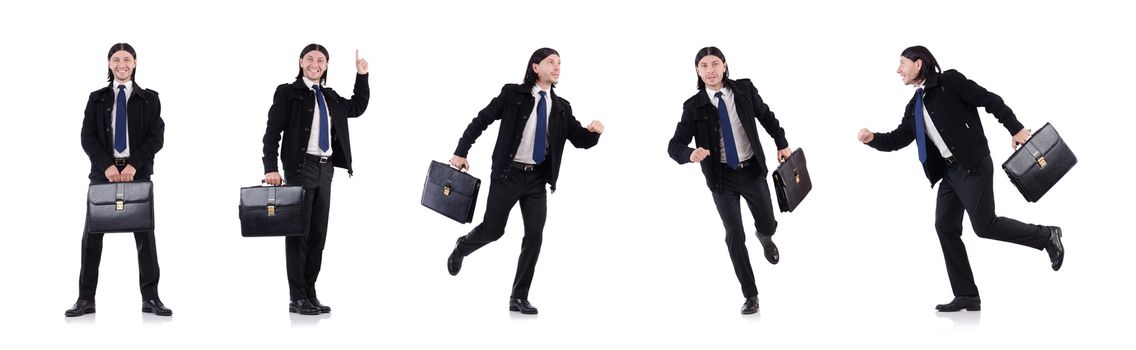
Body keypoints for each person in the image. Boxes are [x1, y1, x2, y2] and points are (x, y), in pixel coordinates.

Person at [857, 45, 1065, 312]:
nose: (898, 70)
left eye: (902, 63)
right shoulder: (915, 105)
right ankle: (966, 295)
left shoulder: (950, 82)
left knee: (985, 225)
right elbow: (899, 138)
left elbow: (990, 100)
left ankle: (1046, 236)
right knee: (945, 226)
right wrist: (872, 139)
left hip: (973, 165)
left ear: (918, 64)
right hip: (949, 174)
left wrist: (1015, 128)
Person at [445, 47, 604, 315]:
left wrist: (593, 132)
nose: (557, 67)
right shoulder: (512, 94)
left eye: (559, 63)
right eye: (550, 62)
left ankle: (518, 297)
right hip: (507, 175)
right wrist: (461, 151)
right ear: (535, 67)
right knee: (494, 230)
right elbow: (481, 121)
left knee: (534, 235)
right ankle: (463, 246)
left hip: (537, 180)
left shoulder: (562, 107)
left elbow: (579, 140)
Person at [667, 46, 793, 315]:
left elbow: (767, 117)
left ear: (725, 65)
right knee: (734, 235)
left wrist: (782, 143)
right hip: (721, 178)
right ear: (697, 71)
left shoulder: (745, 90)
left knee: (768, 223)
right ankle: (751, 294)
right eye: (704, 66)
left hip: (751, 170)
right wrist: (690, 153)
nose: (710, 70)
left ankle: (765, 235)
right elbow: (674, 145)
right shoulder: (693, 106)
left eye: (715, 64)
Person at [262, 44, 369, 315]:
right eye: (309, 58)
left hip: (326, 169)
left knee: (318, 235)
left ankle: (309, 292)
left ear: (326, 66)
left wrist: (362, 76)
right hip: (300, 168)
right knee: (299, 233)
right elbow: (272, 132)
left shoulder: (330, 96)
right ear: (300, 62)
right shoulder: (288, 92)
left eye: (321, 60)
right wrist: (270, 168)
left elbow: (356, 107)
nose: (315, 63)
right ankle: (296, 297)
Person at [68, 43, 171, 317]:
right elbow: (87, 136)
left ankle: (151, 298)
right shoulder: (97, 98)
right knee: (92, 236)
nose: (121, 64)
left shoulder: (150, 98)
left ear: (135, 63)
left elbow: (155, 136)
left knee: (145, 236)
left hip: (137, 172)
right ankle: (85, 299)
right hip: (104, 173)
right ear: (109, 63)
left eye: (126, 59)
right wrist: (106, 166)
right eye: (116, 59)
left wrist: (134, 164)